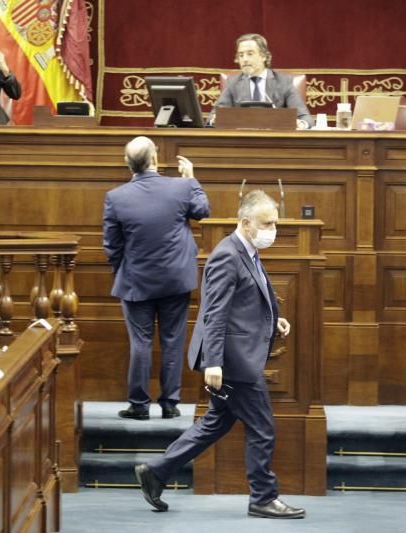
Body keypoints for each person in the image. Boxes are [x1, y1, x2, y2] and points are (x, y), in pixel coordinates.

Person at [134, 190, 305, 519]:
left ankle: (156, 471)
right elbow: (214, 313)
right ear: (245, 222)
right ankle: (263, 498)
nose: (273, 230)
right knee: (262, 427)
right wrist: (213, 362)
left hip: (238, 356)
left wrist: (275, 317)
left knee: (215, 423)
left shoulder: (248, 250)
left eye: (274, 223)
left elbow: (250, 296)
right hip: (234, 361)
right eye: (267, 223)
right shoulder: (227, 255)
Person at [103, 136, 210, 420]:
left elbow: (112, 245)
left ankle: (139, 405)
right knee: (173, 340)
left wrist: (122, 273)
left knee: (140, 342)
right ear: (154, 159)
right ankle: (170, 404)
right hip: (176, 279)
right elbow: (202, 211)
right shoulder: (181, 187)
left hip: (136, 280)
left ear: (129, 165)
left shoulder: (116, 197)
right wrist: (192, 179)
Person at [210, 33, 313, 129]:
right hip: (243, 142)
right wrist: (215, 120)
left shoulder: (283, 82)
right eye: (241, 55)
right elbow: (213, 117)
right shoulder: (233, 83)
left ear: (264, 56)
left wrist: (301, 124)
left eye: (250, 54)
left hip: (276, 142)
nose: (244, 59)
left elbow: (305, 118)